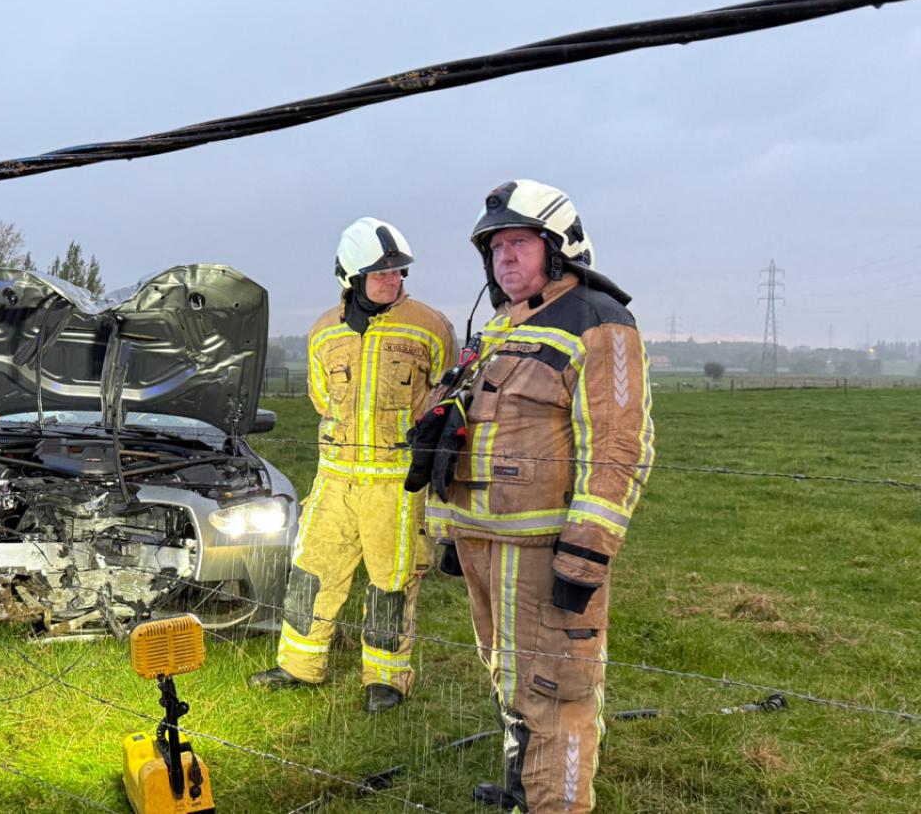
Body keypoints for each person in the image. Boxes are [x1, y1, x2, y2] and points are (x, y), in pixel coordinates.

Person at [426, 180, 655, 812]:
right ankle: (523, 788)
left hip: (543, 553)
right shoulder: (503, 325)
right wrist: (449, 533)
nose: (505, 258)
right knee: (509, 677)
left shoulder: (600, 323)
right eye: (496, 247)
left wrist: (582, 562)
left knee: (558, 694)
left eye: (520, 243)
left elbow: (618, 448)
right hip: (482, 544)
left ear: (560, 248)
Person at [248, 218, 454, 713]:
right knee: (312, 570)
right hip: (335, 478)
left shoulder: (429, 326)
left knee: (392, 579)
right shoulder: (323, 332)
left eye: (399, 273)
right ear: (350, 276)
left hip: (397, 484)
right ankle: (299, 665)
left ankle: (384, 678)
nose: (394, 281)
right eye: (381, 273)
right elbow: (323, 399)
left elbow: (446, 394)